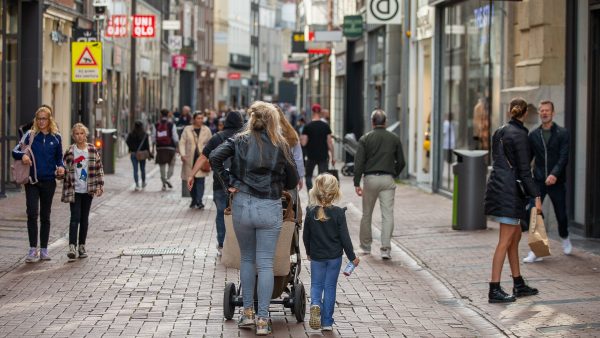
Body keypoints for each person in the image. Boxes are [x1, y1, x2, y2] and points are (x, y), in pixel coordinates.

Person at [209, 101, 299, 336]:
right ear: (273, 121)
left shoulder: (238, 141)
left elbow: (215, 156)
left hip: (243, 204)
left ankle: (247, 313)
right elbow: (292, 181)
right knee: (266, 263)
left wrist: (229, 182)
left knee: (247, 259)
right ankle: (262, 319)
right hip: (269, 205)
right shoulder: (281, 144)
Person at [484, 97, 542, 303]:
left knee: (514, 237)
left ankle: (518, 284)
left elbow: (499, 162)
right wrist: (536, 195)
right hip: (509, 193)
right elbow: (525, 171)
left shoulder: (499, 131)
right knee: (504, 241)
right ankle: (494, 289)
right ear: (525, 114)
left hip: (498, 188)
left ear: (510, 111)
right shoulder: (520, 136)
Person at [303, 173, 359, 332]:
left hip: (317, 256)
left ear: (315, 190)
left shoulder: (310, 211)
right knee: (330, 287)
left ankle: (315, 303)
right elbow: (345, 239)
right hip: (334, 257)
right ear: (335, 192)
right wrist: (352, 257)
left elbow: (306, 235)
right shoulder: (339, 213)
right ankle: (327, 321)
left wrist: (308, 251)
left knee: (316, 284)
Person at [12, 106, 65, 262]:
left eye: (44, 118)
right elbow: (15, 151)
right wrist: (23, 156)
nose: (42, 121)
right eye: (39, 118)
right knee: (32, 213)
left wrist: (61, 167)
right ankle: (32, 249)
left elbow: (59, 158)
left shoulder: (56, 137)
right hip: (32, 181)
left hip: (49, 181)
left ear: (49, 120)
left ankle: (44, 250)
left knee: (45, 216)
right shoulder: (30, 135)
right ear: (36, 120)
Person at [188, 111, 244, 255]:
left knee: (221, 213)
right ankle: (240, 244)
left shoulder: (217, 137)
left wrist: (192, 175)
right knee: (241, 214)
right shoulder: (245, 137)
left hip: (220, 183)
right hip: (241, 184)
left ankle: (221, 244)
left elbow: (203, 157)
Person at [353, 109, 405, 260]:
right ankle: (385, 249)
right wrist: (393, 173)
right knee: (387, 215)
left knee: (367, 214)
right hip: (387, 179)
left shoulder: (365, 139)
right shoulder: (394, 138)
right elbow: (402, 161)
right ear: (386, 122)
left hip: (370, 179)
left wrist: (357, 182)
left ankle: (365, 247)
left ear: (372, 122)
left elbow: (359, 163)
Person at [523, 100, 571, 263]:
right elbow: (529, 158)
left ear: (553, 113)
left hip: (556, 181)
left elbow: (564, 157)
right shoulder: (534, 135)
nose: (544, 113)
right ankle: (538, 250)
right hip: (538, 182)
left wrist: (554, 174)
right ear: (539, 113)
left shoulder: (562, 133)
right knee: (534, 213)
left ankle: (564, 237)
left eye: (547, 110)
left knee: (561, 215)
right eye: (541, 110)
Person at [61, 123, 104, 261]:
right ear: (73, 136)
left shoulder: (92, 150)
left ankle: (82, 246)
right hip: (75, 189)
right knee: (75, 218)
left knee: (84, 219)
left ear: (86, 135)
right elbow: (63, 169)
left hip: (88, 189)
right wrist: (59, 173)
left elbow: (99, 168)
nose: (79, 136)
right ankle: (72, 247)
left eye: (82, 133)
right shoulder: (70, 151)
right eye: (76, 134)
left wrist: (99, 185)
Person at [179, 111, 212, 209]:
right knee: (191, 180)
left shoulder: (206, 130)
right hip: (189, 159)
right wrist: (183, 154)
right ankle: (194, 199)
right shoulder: (187, 129)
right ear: (194, 119)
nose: (200, 120)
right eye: (198, 118)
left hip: (201, 159)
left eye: (202, 118)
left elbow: (211, 143)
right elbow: (182, 142)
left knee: (200, 182)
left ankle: (199, 201)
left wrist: (209, 155)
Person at [301, 103, 334, 191]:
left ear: (312, 112)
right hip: (323, 156)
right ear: (320, 112)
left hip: (311, 155)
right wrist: (333, 157)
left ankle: (311, 196)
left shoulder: (307, 126)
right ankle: (320, 197)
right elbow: (330, 142)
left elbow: (303, 143)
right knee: (322, 178)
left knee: (308, 176)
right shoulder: (325, 126)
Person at [275, 105, 305, 195]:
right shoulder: (291, 133)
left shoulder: (262, 134)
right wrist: (300, 177)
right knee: (289, 204)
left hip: (270, 179)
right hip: (289, 178)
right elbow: (298, 158)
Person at [153, 109, 179, 191]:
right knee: (171, 164)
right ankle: (168, 178)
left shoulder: (156, 125)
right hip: (170, 148)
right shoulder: (171, 125)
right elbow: (175, 137)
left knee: (162, 166)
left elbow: (153, 138)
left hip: (160, 148)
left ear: (160, 115)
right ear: (168, 115)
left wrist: (153, 147)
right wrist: (177, 146)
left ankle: (163, 183)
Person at [126, 121, 151, 190]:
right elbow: (147, 145)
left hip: (134, 154)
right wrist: (149, 153)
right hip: (142, 154)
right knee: (143, 169)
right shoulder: (145, 135)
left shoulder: (131, 134)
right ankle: (143, 183)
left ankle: (137, 184)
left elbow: (127, 141)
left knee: (135, 170)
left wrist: (132, 148)